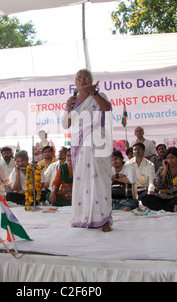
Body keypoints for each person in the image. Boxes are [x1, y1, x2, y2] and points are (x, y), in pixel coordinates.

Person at [63, 69, 113, 232]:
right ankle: (84, 216)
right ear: (75, 83)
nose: (83, 80)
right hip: (80, 143)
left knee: (100, 180)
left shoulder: (100, 96)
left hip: (98, 141)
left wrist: (95, 94)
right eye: (79, 78)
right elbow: (65, 124)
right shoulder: (72, 100)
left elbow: (107, 109)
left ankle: (104, 219)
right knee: (83, 180)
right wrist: (68, 108)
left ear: (91, 80)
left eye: (86, 78)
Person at [141, 147, 177, 212]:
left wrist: (167, 191)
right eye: (168, 158)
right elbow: (158, 185)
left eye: (172, 158)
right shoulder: (162, 169)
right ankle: (171, 208)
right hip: (163, 197)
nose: (170, 160)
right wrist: (165, 170)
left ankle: (158, 207)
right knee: (146, 198)